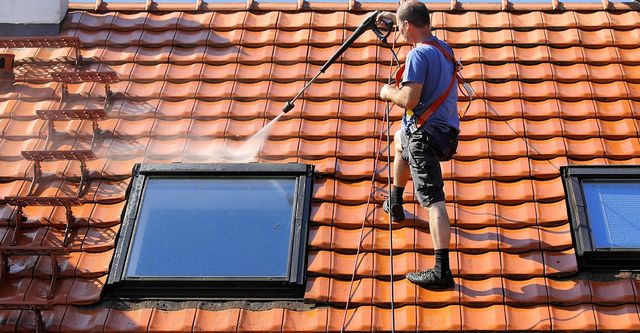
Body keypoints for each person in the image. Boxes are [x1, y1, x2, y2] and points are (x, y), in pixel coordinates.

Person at [377, 1, 460, 289]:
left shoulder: (418, 55)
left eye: (400, 27)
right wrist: (392, 17)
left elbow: (409, 100)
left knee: (433, 201)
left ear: (408, 26)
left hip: (427, 137)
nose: (398, 31)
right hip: (447, 133)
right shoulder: (443, 48)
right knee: (401, 139)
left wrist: (388, 92)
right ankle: (396, 201)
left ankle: (442, 271)